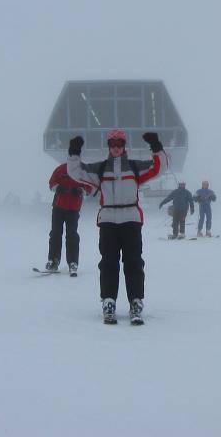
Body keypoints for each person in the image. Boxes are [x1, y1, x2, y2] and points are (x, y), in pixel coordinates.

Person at [65, 129, 169, 325]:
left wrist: (156, 146)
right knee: (108, 263)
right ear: (108, 146)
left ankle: (135, 301)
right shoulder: (101, 169)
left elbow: (160, 168)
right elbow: (75, 172)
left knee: (134, 263)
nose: (116, 148)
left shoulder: (134, 167)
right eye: (112, 144)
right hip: (108, 221)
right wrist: (74, 152)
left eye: (119, 144)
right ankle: (109, 301)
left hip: (131, 220)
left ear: (124, 146)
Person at [46, 162, 93, 275]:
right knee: (55, 233)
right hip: (58, 207)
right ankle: (53, 260)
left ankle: (72, 262)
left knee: (72, 234)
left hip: (73, 208)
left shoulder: (83, 171)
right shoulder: (60, 169)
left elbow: (89, 187)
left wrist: (80, 190)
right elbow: (52, 182)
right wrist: (57, 188)